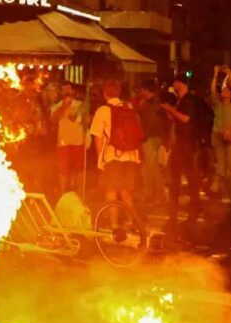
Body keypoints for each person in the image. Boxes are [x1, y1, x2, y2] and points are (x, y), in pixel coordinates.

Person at [90, 79, 142, 225]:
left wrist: (101, 160)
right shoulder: (129, 107)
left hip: (113, 157)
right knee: (126, 193)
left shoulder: (103, 110)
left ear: (104, 93)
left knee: (111, 192)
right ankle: (131, 223)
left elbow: (98, 138)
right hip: (131, 156)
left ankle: (114, 225)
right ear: (119, 92)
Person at [161, 76, 204, 233]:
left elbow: (186, 118)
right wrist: (170, 112)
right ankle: (191, 207)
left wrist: (171, 110)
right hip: (182, 142)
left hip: (186, 143)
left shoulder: (189, 100)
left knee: (180, 177)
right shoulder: (182, 100)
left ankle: (188, 209)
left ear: (181, 84)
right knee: (184, 176)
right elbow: (178, 120)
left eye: (175, 83)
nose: (174, 86)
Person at [210, 65, 231, 203]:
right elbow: (213, 90)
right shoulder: (217, 104)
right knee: (221, 166)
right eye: (223, 90)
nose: (225, 91)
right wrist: (216, 74)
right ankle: (223, 191)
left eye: (227, 90)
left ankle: (229, 194)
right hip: (218, 135)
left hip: (230, 136)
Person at [50, 81, 86, 195]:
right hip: (63, 142)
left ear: (73, 91)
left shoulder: (80, 105)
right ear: (61, 91)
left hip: (78, 142)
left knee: (78, 170)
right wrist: (63, 106)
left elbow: (83, 120)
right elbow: (53, 119)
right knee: (63, 170)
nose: (67, 91)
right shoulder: (57, 106)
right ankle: (63, 194)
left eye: (69, 88)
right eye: (64, 89)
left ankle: (77, 193)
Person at [137, 80, 170, 205]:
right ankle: (149, 193)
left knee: (152, 166)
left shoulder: (152, 103)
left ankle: (159, 195)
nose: (140, 93)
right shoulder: (154, 102)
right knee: (147, 167)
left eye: (141, 90)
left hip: (150, 136)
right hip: (154, 136)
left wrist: (144, 135)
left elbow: (150, 121)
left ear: (146, 90)